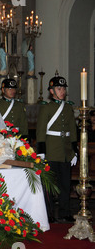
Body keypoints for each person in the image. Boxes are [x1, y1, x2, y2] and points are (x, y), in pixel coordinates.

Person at [36, 72, 78, 223]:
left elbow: (72, 129)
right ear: (52, 91)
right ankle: (49, 214)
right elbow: (41, 130)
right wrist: (41, 152)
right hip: (51, 152)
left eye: (63, 88)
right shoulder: (46, 108)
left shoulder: (68, 108)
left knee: (66, 184)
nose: (62, 91)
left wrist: (74, 150)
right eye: (59, 88)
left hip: (65, 152)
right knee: (48, 186)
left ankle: (65, 212)